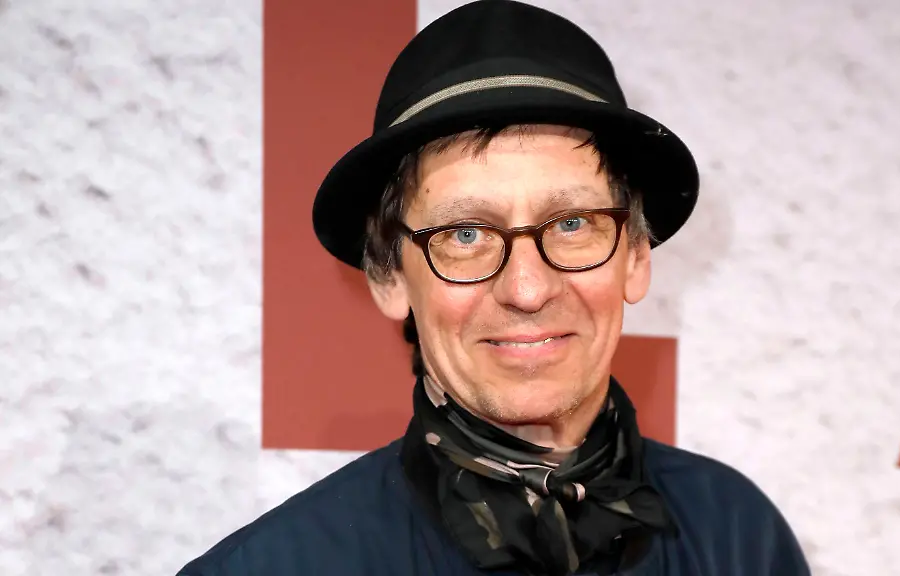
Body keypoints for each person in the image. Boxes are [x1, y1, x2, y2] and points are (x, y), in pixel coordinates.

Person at [177, 1, 811, 574]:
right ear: (389, 275)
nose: (528, 289)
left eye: (572, 223)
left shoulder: (739, 538)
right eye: (466, 234)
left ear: (637, 257)